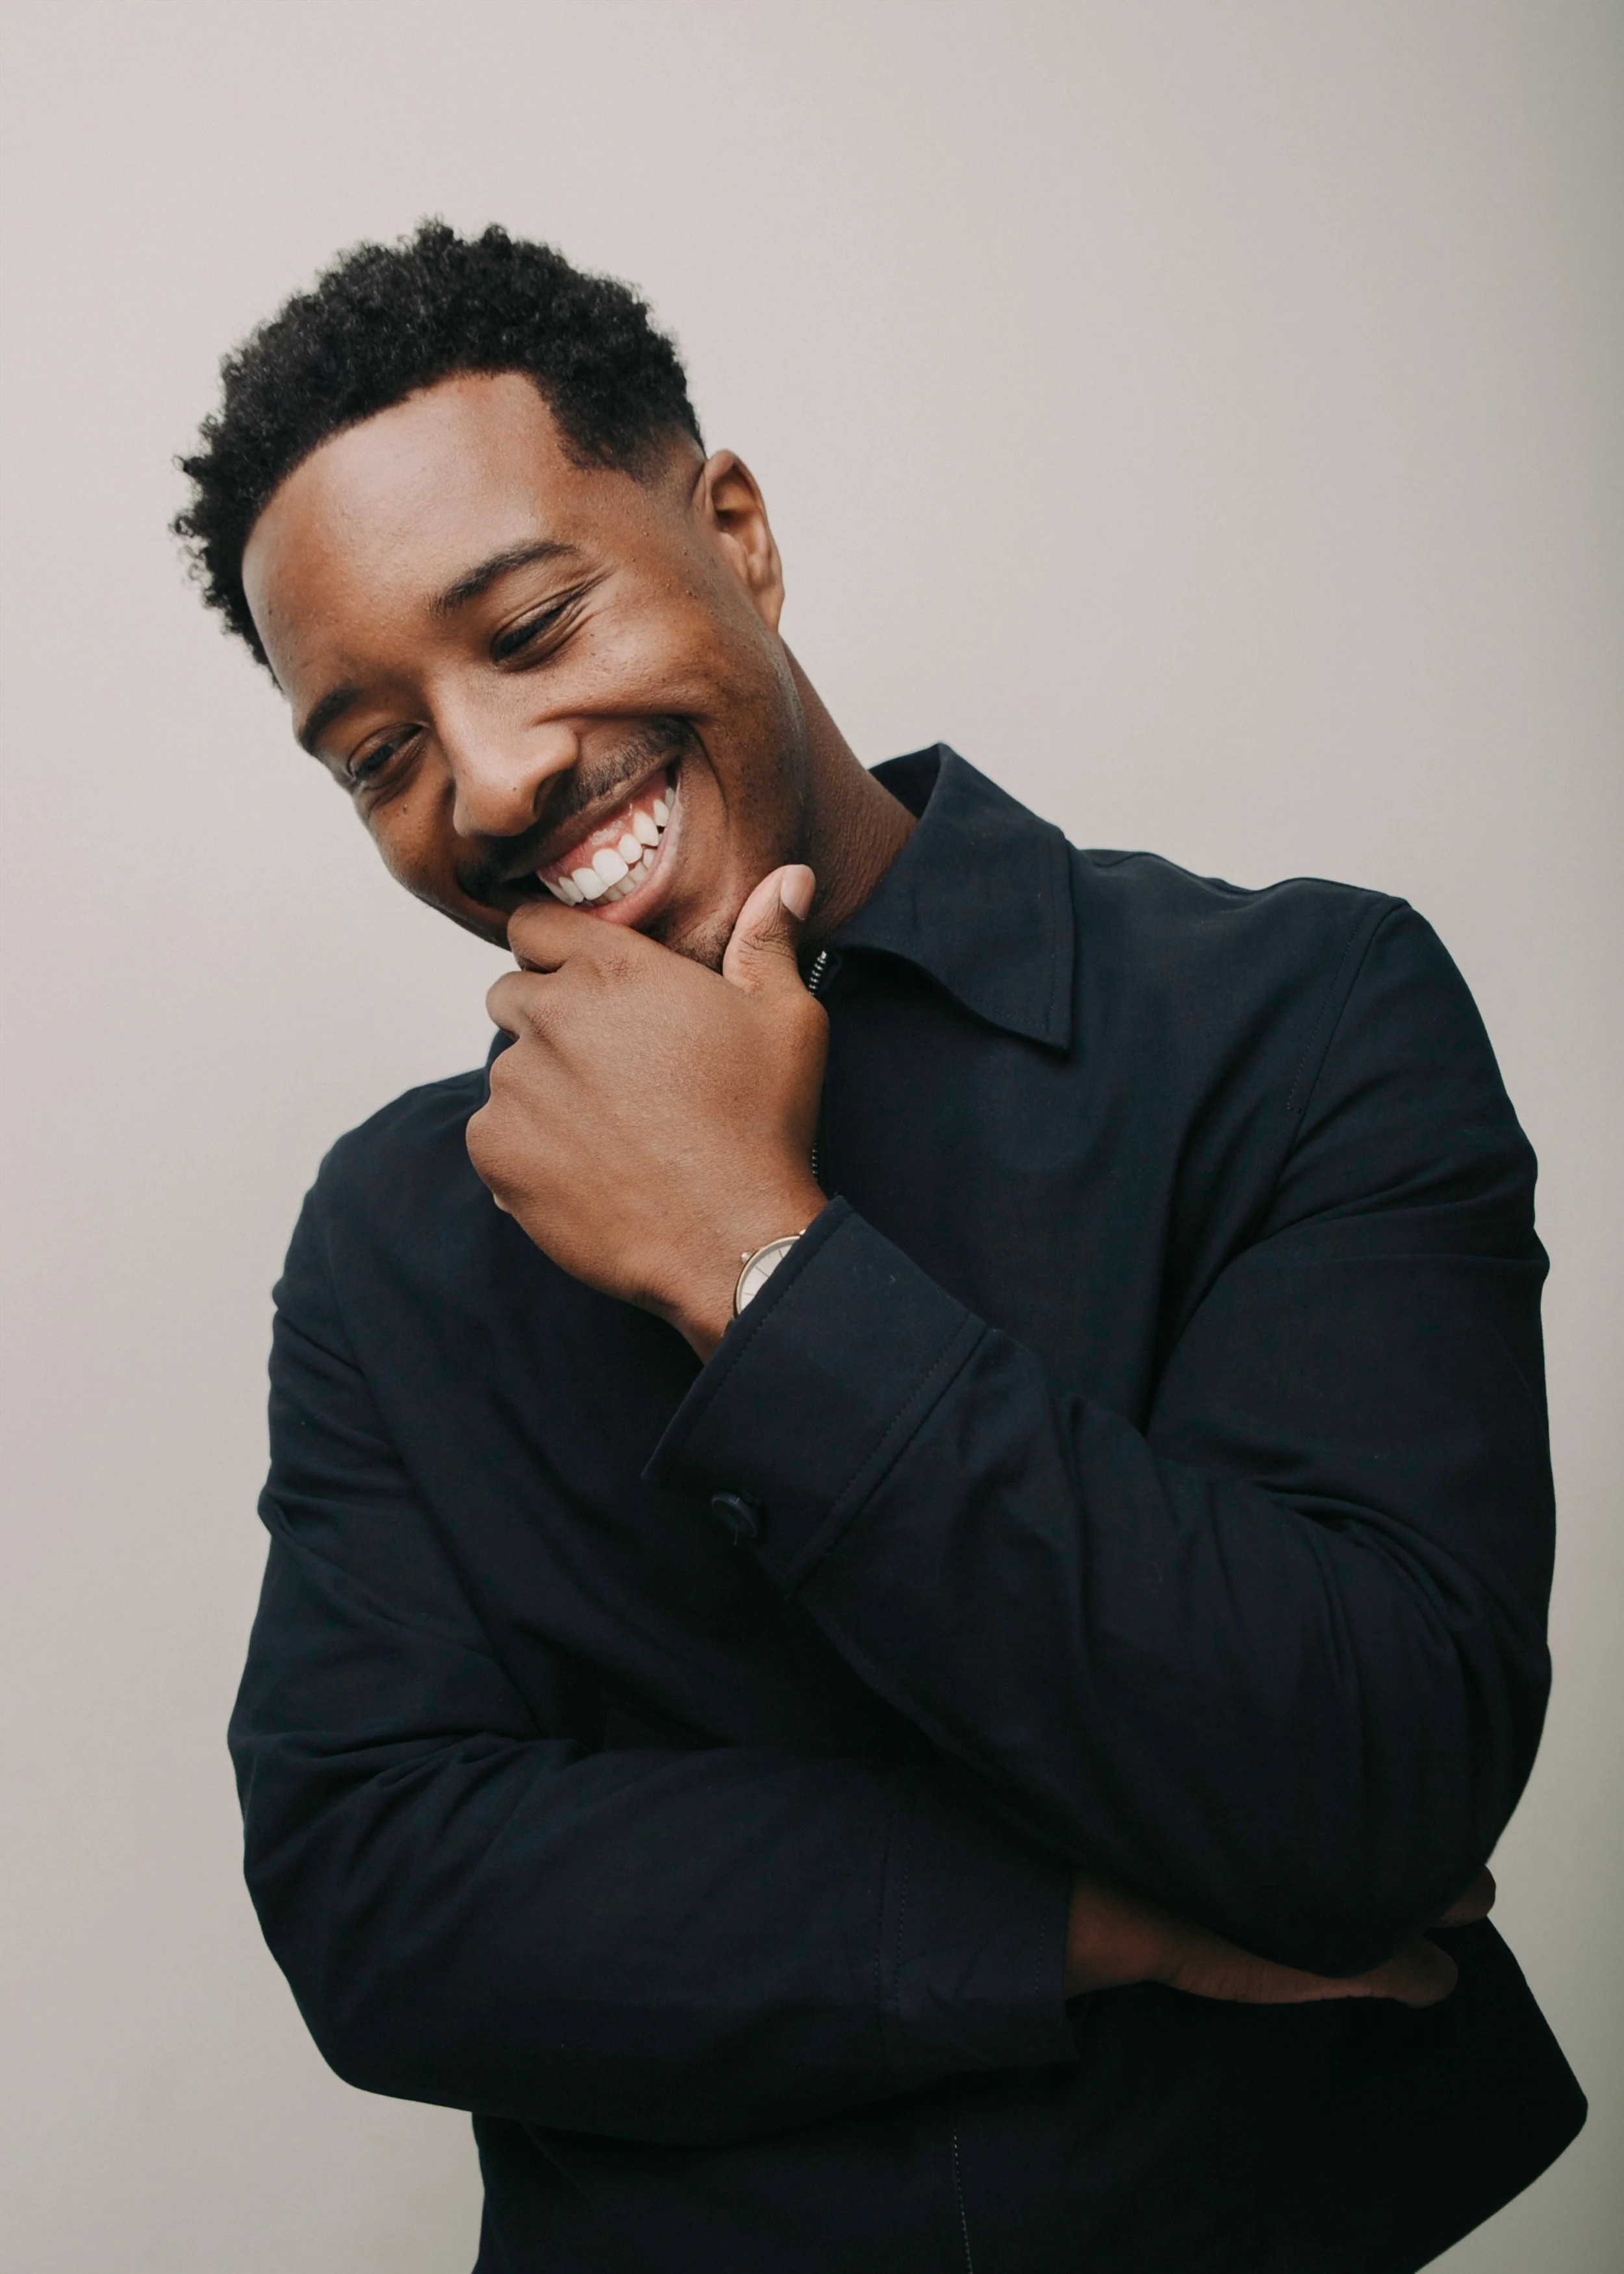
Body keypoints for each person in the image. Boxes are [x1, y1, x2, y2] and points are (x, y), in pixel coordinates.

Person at [179, 222, 1584, 2272]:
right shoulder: (393, 1233)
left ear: (732, 533)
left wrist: (757, 1257)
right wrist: (1083, 1912)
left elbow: (1361, 1777)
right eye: (378, 752)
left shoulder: (1300, 1012)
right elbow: (380, 1896)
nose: (484, 780)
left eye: (534, 622)